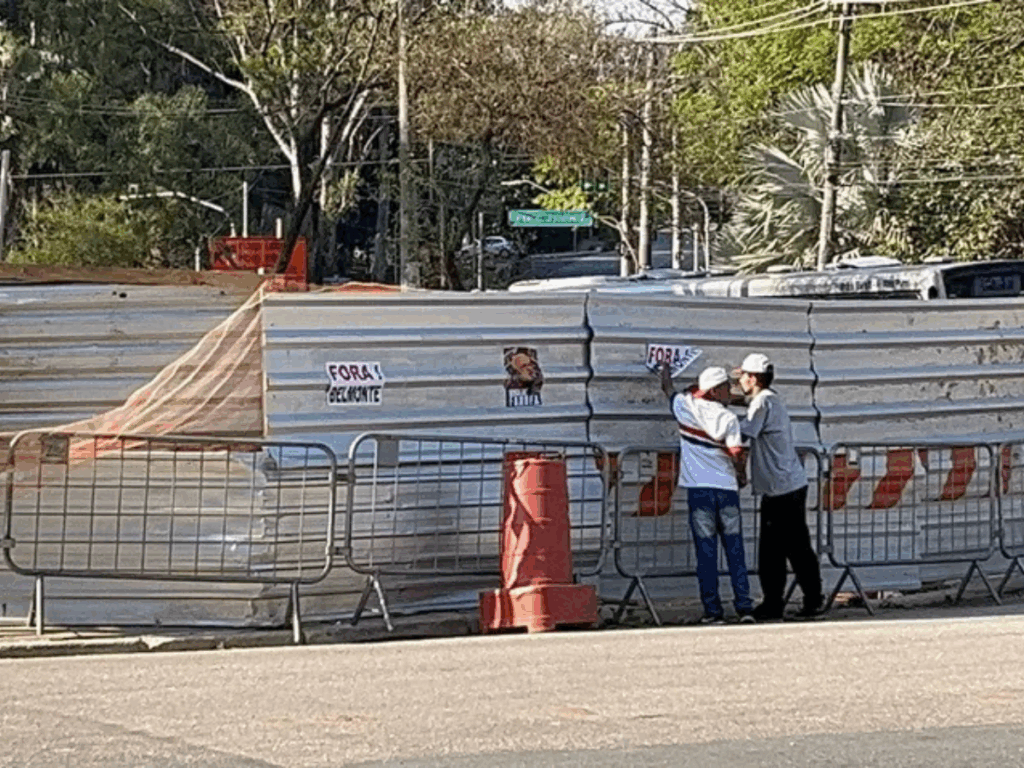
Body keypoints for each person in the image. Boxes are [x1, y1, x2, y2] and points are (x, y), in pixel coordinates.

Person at [661, 362, 755, 624]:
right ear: (715, 391)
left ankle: (713, 612)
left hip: (699, 491)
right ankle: (744, 607)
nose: (730, 392)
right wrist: (742, 475)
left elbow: (668, 389)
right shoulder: (728, 418)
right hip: (726, 490)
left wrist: (666, 370)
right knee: (735, 550)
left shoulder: (685, 406)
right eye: (726, 387)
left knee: (706, 553)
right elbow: (737, 454)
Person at [734, 352, 823, 620]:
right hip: (785, 486)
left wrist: (713, 416)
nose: (739, 382)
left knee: (779, 551)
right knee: (793, 547)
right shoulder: (768, 400)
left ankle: (782, 603)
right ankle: (804, 599)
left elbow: (742, 433)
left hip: (781, 489)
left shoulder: (762, 404)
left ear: (753, 378)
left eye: (742, 377)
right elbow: (748, 406)